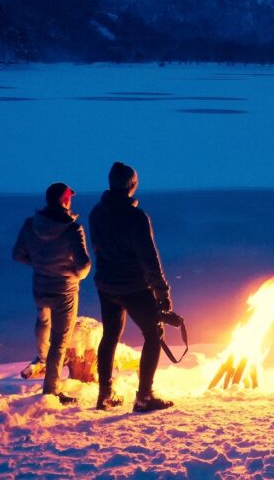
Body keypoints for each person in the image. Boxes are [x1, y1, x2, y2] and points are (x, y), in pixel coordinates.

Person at [89, 162, 174, 412]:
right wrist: (162, 293)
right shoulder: (136, 218)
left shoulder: (96, 213)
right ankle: (144, 396)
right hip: (134, 287)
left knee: (110, 336)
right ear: (132, 185)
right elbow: (149, 259)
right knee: (154, 333)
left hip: (106, 285)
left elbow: (98, 249)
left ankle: (105, 393)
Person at [13, 182, 91, 404]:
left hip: (40, 287)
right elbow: (84, 264)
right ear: (65, 201)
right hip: (64, 291)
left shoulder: (30, 225)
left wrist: (39, 265)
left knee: (43, 320)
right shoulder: (72, 229)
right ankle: (51, 391)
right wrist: (75, 275)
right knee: (60, 341)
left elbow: (18, 254)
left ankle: (42, 356)